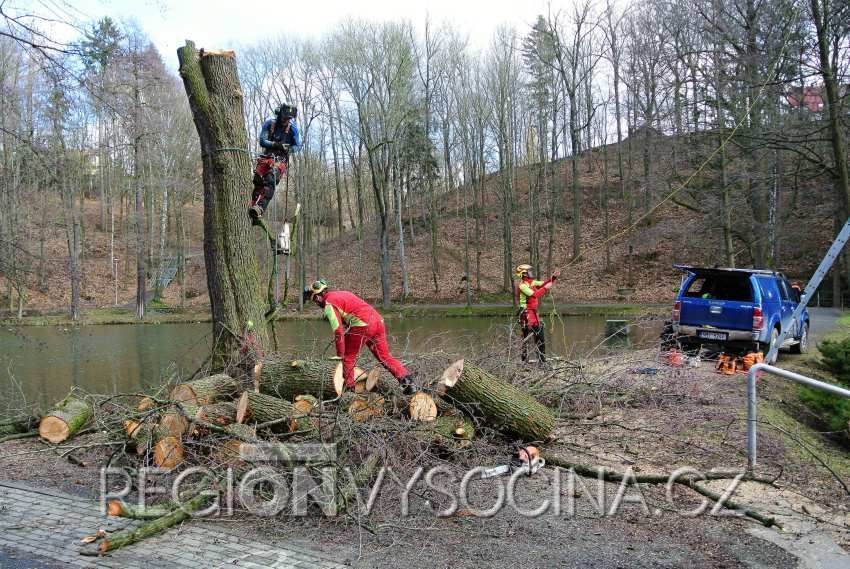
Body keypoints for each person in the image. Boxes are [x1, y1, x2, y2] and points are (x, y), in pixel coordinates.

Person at [304, 279, 416, 394]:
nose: (317, 303)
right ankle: (407, 381)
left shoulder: (329, 304)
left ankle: (349, 390)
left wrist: (340, 354)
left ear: (317, 297)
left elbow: (338, 331)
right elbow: (355, 311)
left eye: (314, 300)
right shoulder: (344, 293)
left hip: (363, 325)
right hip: (378, 320)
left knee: (348, 357)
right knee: (385, 356)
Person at [249, 103, 302, 222]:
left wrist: (289, 148)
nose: (286, 120)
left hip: (280, 160)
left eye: (289, 118)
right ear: (280, 114)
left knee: (271, 178)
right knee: (258, 181)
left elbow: (298, 146)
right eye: (285, 117)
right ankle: (253, 207)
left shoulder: (293, 129)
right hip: (266, 157)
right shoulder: (270, 124)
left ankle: (260, 207)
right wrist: (276, 144)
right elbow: (262, 141)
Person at [515, 264, 560, 363]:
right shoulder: (522, 285)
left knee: (540, 338)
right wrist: (546, 288)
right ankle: (524, 362)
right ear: (524, 274)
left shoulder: (532, 282)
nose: (531, 273)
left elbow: (545, 283)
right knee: (525, 339)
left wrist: (554, 277)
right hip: (526, 314)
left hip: (533, 313)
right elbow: (535, 294)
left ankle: (542, 361)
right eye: (529, 272)